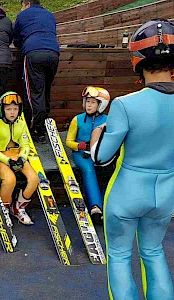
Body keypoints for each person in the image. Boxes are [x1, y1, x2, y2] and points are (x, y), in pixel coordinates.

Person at [90, 19, 174, 299]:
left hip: (126, 192)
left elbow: (101, 157)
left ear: (137, 59)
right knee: (153, 252)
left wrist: (99, 133)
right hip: (164, 193)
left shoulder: (125, 104)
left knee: (120, 256)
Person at [13, 0, 59, 143]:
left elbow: (16, 40)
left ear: (26, 3)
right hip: (53, 54)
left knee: (33, 93)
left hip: (34, 53)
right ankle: (43, 126)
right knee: (45, 91)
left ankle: (34, 129)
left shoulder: (23, 15)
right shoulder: (50, 15)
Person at [65, 86, 110, 225]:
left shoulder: (108, 120)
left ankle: (106, 205)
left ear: (100, 105)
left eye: (93, 102)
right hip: (82, 154)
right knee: (89, 170)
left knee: (111, 171)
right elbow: (69, 142)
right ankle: (95, 208)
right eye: (87, 101)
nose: (89, 105)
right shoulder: (77, 119)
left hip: (101, 153)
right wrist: (79, 145)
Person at [0, 91, 39, 225]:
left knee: (34, 178)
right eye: (8, 109)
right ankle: (4, 209)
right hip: (2, 156)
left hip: (18, 154)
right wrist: (7, 160)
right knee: (9, 180)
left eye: (15, 109)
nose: (12, 112)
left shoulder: (21, 123)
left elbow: (26, 144)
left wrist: (22, 158)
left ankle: (18, 207)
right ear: (3, 110)